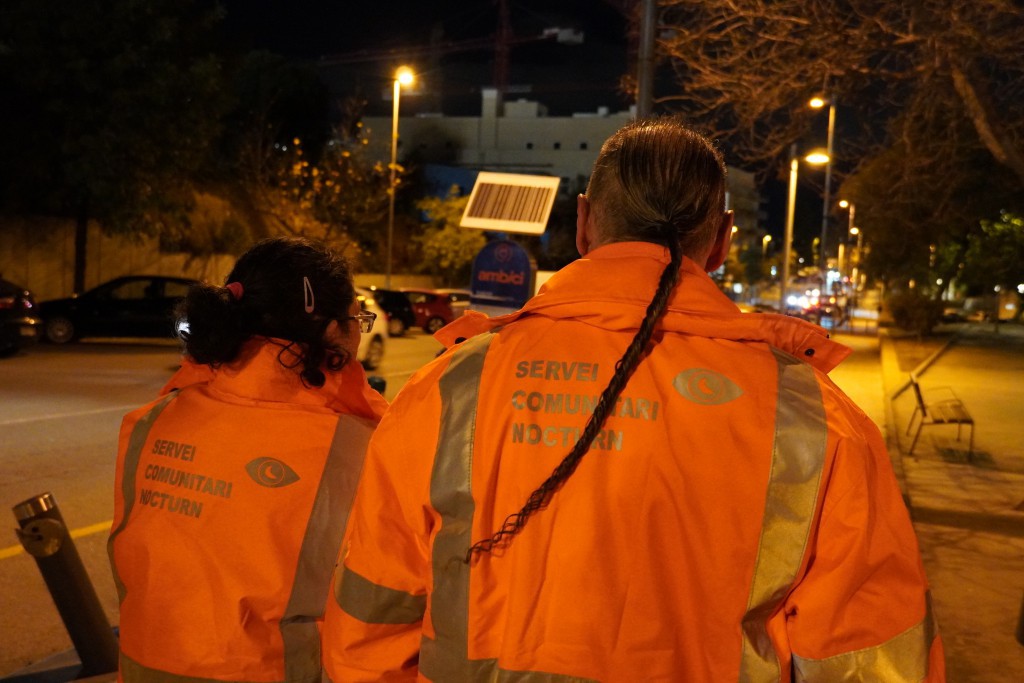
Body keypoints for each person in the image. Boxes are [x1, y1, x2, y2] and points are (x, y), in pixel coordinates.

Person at [322, 118, 944, 681]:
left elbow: (372, 618)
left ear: (585, 220)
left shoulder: (451, 386)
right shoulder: (813, 415)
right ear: (724, 240)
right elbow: (869, 658)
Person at [108, 237, 387, 682]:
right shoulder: (359, 446)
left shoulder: (153, 419)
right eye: (358, 319)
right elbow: (381, 610)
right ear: (332, 332)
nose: (359, 331)